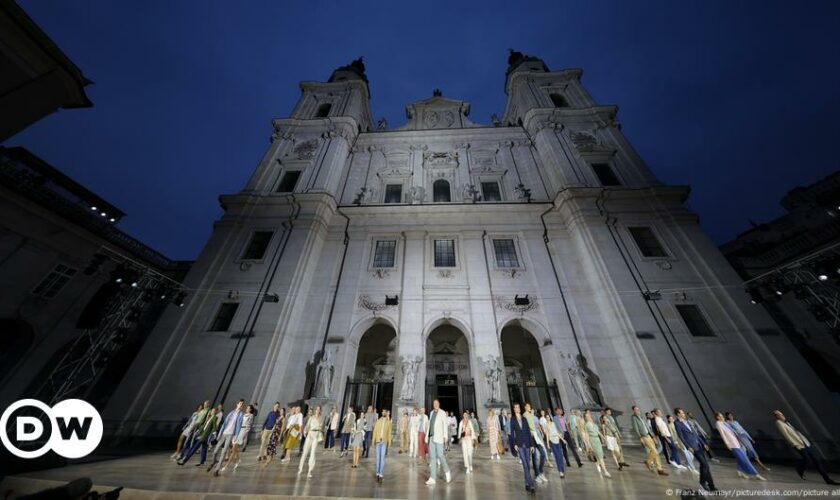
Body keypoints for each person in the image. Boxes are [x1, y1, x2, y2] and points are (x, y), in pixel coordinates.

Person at [773, 410, 839, 485]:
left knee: (816, 461)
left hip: (804, 442)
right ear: (777, 416)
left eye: (782, 414)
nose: (782, 416)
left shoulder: (786, 422)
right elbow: (786, 435)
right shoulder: (779, 423)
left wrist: (786, 421)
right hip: (798, 444)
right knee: (808, 460)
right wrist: (794, 444)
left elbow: (795, 432)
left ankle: (828, 480)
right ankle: (799, 468)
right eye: (780, 415)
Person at [675, 408, 717, 492]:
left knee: (705, 465)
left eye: (683, 413)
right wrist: (688, 447)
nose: (684, 414)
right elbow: (681, 436)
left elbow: (695, 433)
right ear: (678, 414)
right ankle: (702, 481)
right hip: (692, 446)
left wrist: (704, 443)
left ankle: (711, 486)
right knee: (704, 464)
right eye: (682, 413)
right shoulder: (677, 423)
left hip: (698, 444)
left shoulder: (687, 421)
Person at [714, 412, 764, 480]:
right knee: (744, 459)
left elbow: (733, 432)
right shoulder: (718, 424)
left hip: (736, 442)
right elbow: (723, 435)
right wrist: (727, 444)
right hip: (732, 444)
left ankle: (740, 471)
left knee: (740, 458)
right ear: (717, 417)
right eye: (720, 416)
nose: (722, 417)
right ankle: (755, 474)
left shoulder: (724, 423)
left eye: (722, 416)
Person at [209, 399, 245, 476]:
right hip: (224, 433)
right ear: (237, 404)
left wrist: (235, 436)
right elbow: (225, 423)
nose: (241, 405)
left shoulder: (241, 414)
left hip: (231, 434)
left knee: (224, 451)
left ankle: (217, 470)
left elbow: (239, 426)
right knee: (215, 451)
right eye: (240, 404)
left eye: (242, 404)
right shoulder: (231, 413)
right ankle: (214, 461)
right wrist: (219, 434)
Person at [630, 405, 667, 476]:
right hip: (644, 437)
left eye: (638, 409)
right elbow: (636, 428)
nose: (638, 410)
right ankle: (650, 463)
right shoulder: (633, 418)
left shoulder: (642, 417)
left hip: (649, 436)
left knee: (655, 452)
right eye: (636, 409)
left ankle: (659, 469)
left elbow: (647, 427)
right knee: (655, 451)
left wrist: (652, 436)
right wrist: (640, 437)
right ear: (633, 411)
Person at [510, 403, 537, 493]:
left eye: (518, 407)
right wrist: (514, 444)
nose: (518, 408)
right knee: (525, 464)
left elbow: (529, 432)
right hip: (520, 444)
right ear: (514, 409)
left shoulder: (524, 419)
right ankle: (531, 484)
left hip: (528, 444)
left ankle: (526, 482)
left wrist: (532, 444)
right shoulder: (512, 420)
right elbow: (512, 433)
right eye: (516, 407)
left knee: (527, 465)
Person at [425, 399, 452, 485]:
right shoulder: (431, 413)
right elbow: (429, 425)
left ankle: (447, 471)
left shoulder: (442, 413)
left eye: (437, 403)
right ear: (433, 405)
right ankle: (433, 478)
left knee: (440, 455)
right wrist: (426, 436)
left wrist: (445, 436)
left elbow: (445, 424)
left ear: (439, 404)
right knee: (432, 457)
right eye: (434, 403)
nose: (435, 404)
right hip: (431, 437)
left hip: (439, 437)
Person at [223, 404, 254, 471]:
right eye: (247, 408)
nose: (247, 409)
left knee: (233, 450)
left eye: (249, 408)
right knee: (234, 448)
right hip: (238, 431)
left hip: (243, 432)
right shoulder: (243, 414)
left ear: (251, 409)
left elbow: (249, 426)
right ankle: (238, 460)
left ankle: (226, 466)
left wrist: (245, 435)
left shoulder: (251, 416)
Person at [523, 403, 548, 484]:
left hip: (536, 436)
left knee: (543, 454)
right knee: (534, 456)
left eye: (529, 406)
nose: (528, 407)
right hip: (530, 437)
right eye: (527, 406)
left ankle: (540, 471)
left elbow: (536, 426)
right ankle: (537, 475)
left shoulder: (532, 416)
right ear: (525, 408)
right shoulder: (524, 416)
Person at [582, 410, 610, 478]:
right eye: (587, 416)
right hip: (592, 440)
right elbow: (586, 435)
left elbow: (598, 432)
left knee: (600, 455)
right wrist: (588, 445)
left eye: (589, 415)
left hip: (597, 439)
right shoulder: (586, 425)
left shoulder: (594, 424)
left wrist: (603, 438)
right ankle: (605, 471)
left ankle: (597, 463)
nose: (589, 416)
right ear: (585, 417)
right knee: (600, 456)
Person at [539, 409, 566, 478]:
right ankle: (560, 471)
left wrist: (562, 439)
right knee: (557, 456)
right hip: (552, 441)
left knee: (560, 456)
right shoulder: (545, 425)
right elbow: (547, 434)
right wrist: (548, 443)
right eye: (547, 417)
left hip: (557, 440)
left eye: (548, 417)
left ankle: (562, 470)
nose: (548, 418)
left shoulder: (553, 423)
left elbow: (557, 432)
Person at [298, 406, 323, 478]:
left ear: (320, 410)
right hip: (310, 434)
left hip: (316, 435)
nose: (317, 410)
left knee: (313, 453)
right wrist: (305, 431)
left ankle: (309, 471)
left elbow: (321, 428)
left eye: (319, 409)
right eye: (317, 409)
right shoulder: (311, 418)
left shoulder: (321, 419)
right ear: (315, 410)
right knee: (305, 452)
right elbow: (307, 426)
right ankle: (300, 468)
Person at [373, 408, 392, 482]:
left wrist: (389, 442)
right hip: (378, 441)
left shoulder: (388, 422)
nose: (383, 412)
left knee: (382, 459)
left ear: (387, 413)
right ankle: (377, 473)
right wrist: (373, 440)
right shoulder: (378, 421)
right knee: (378, 459)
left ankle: (381, 475)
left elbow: (389, 433)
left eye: (385, 411)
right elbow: (375, 431)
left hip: (384, 442)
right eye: (382, 411)